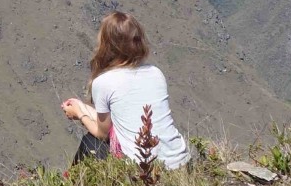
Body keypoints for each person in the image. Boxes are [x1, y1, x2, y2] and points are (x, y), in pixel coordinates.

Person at [60, 11, 192, 168]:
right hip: (182, 163)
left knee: (90, 142)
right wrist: (81, 106)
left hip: (147, 171)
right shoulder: (155, 72)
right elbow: (121, 122)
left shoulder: (104, 82)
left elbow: (102, 134)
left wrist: (79, 114)